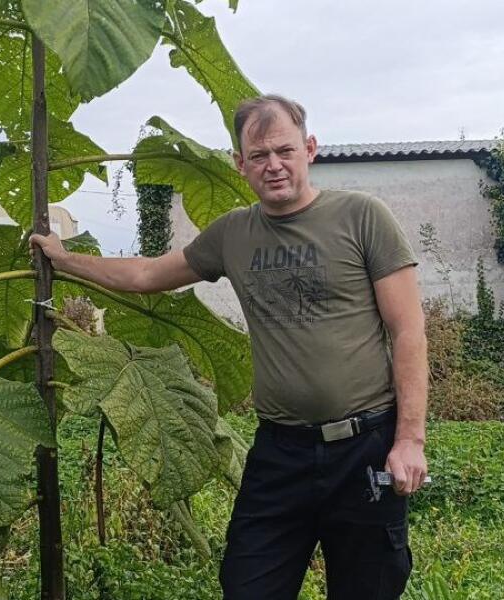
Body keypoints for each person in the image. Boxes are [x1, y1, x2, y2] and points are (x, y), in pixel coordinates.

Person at [30, 94, 428, 600]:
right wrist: (65, 260)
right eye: (258, 156)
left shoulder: (362, 217)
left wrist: (409, 440)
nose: (273, 165)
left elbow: (408, 331)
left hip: (364, 446)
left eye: (284, 150)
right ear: (241, 164)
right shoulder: (233, 233)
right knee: (247, 585)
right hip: (280, 452)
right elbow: (147, 274)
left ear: (310, 148)